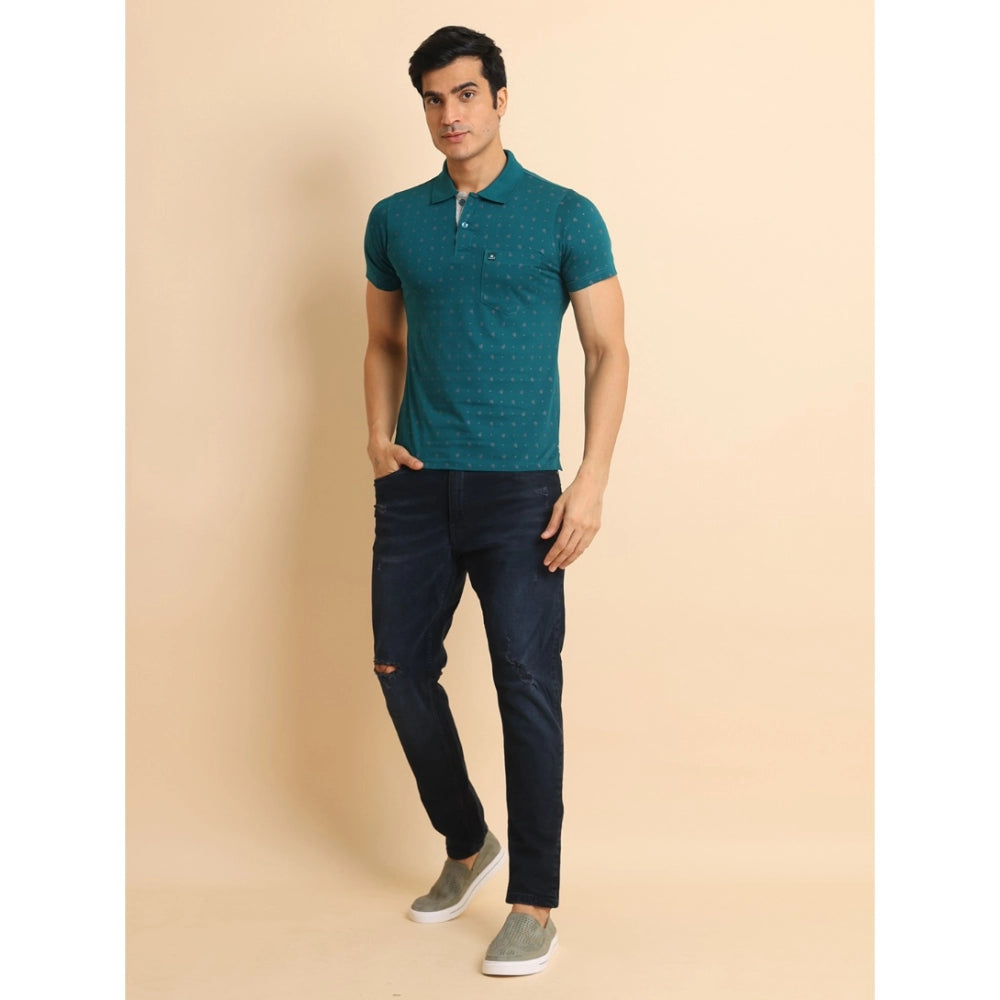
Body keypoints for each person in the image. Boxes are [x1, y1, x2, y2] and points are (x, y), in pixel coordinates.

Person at [363, 25, 628, 977]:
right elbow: (383, 341)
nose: (451, 114)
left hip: (521, 493)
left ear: (500, 99)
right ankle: (470, 842)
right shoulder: (395, 219)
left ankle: (535, 902)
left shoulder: (565, 214)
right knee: (400, 670)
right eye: (434, 99)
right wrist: (377, 438)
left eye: (467, 94)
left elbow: (608, 351)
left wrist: (590, 481)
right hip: (416, 486)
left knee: (526, 684)